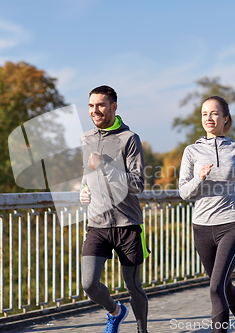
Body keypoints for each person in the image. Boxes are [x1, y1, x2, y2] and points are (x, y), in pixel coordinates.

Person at [178, 96, 235, 333]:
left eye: (214, 113)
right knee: (222, 286)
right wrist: (199, 177)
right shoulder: (191, 151)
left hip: (230, 224)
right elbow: (184, 192)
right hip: (201, 228)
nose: (208, 118)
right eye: (204, 114)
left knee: (215, 288)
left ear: (225, 118)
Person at [79, 85, 149, 333]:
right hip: (97, 224)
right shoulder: (86, 138)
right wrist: (83, 190)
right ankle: (116, 311)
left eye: (100, 105)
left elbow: (137, 184)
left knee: (133, 286)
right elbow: (87, 174)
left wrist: (104, 166)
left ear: (113, 107)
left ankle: (142, 331)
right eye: (90, 105)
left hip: (127, 224)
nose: (94, 110)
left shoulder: (129, 139)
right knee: (88, 283)